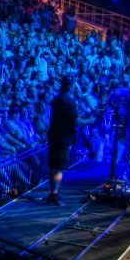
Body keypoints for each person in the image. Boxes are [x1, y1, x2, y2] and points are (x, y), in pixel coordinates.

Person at [46, 77, 81, 205]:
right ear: (71, 86)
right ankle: (54, 194)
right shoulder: (69, 101)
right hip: (63, 138)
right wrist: (90, 120)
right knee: (59, 168)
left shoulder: (56, 99)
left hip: (53, 136)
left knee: (52, 165)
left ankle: (52, 192)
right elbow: (76, 120)